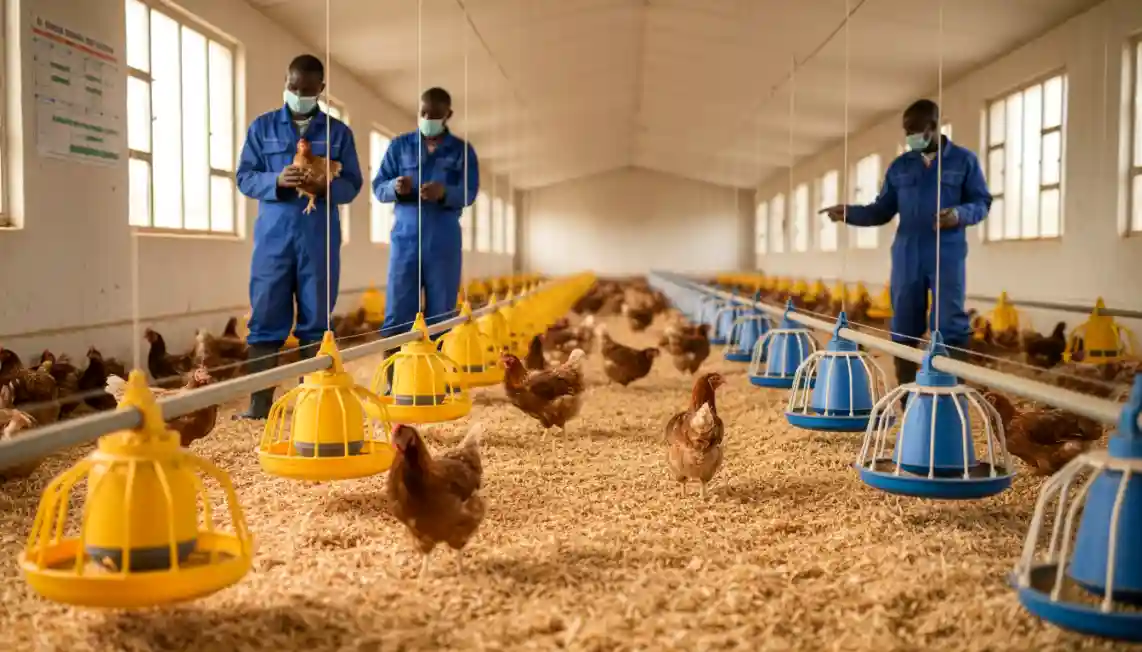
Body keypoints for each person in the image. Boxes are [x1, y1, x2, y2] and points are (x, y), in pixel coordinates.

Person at [820, 99, 990, 385]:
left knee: (949, 321)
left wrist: (959, 214)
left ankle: (952, 392)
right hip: (907, 253)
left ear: (934, 126)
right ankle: (909, 394)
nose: (910, 136)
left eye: (915, 130)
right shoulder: (900, 167)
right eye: (906, 131)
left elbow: (981, 202)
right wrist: (849, 213)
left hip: (946, 251)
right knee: (904, 322)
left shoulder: (964, 161)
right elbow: (881, 209)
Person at [234, 54, 363, 419]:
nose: (299, 95)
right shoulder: (262, 128)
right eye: (293, 88)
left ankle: (315, 402)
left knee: (317, 318)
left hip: (318, 235)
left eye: (307, 90)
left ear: (320, 90)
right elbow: (244, 176)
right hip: (274, 236)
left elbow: (352, 184)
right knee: (265, 317)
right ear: (286, 83)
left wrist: (325, 188)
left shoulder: (338, 133)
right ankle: (259, 406)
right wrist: (275, 180)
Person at [373, 87, 479, 388]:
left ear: (448, 115)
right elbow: (378, 187)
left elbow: (470, 193)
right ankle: (393, 383)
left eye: (434, 116)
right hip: (405, 237)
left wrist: (445, 192)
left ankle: (434, 381)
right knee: (397, 310)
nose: (427, 120)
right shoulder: (399, 146)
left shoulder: (462, 151)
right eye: (423, 114)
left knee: (442, 312)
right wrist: (396, 186)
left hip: (443, 239)